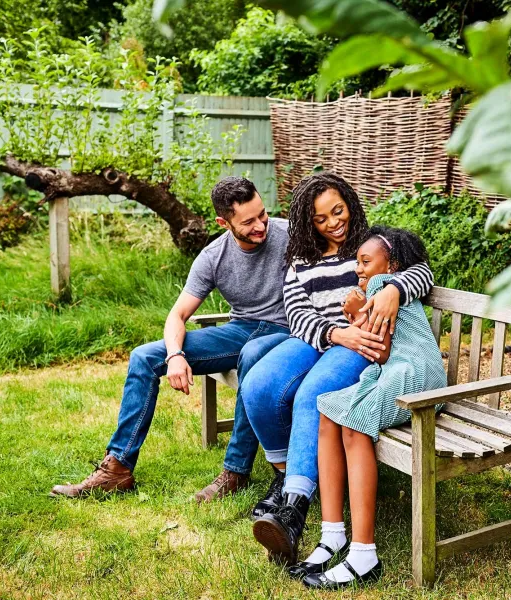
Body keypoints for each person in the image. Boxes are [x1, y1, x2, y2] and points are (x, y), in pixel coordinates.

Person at [50, 177, 291, 503]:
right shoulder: (212, 257)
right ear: (223, 222)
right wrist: (175, 354)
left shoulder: (291, 234)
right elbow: (177, 316)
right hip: (241, 330)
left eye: (262, 214)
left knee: (253, 354)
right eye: (248, 221)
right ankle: (117, 467)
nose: (261, 225)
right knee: (144, 357)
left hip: (287, 332)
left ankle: (235, 471)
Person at [241, 172, 434, 565]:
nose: (332, 223)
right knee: (259, 384)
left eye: (338, 211)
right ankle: (286, 476)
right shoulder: (300, 258)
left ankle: (293, 509)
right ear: (308, 222)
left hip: (359, 343)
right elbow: (297, 314)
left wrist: (395, 289)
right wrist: (333, 332)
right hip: (322, 337)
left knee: (313, 394)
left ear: (350, 204)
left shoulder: (369, 245)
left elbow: (421, 271)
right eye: (320, 218)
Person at [292, 226, 447, 589]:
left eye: (366, 261)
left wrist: (358, 310)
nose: (359, 269)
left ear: (390, 263)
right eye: (357, 262)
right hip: (399, 369)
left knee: (354, 421)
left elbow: (380, 349)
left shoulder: (383, 286)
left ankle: (364, 554)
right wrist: (358, 313)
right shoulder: (389, 285)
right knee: (329, 409)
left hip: (414, 374)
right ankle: (332, 534)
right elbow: (380, 346)